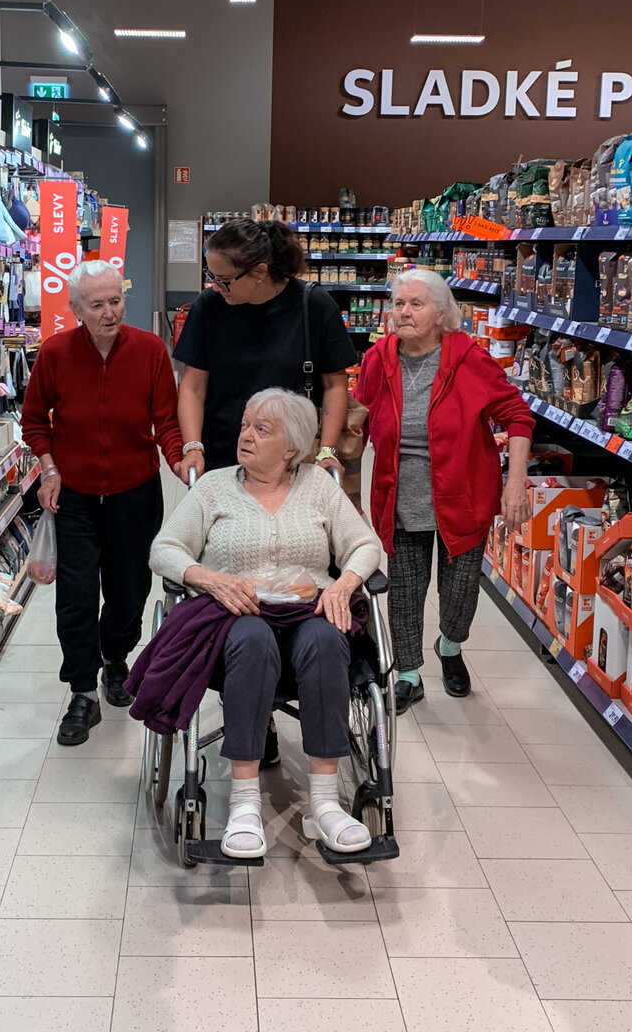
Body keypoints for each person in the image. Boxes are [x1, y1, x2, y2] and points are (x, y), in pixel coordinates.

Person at [148, 388, 384, 858]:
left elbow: (365, 545)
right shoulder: (214, 487)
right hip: (235, 621)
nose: (246, 435)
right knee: (253, 639)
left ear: (291, 446)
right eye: (245, 425)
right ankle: (244, 803)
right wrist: (210, 579)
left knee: (326, 640)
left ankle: (325, 804)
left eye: (262, 429)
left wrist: (344, 585)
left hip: (307, 611)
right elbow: (164, 548)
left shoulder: (319, 487)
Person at [354, 269, 534, 712]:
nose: (404, 312)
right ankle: (409, 675)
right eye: (399, 303)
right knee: (405, 590)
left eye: (416, 304)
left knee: (460, 590)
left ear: (441, 313)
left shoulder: (469, 358)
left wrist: (515, 483)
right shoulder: (379, 358)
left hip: (464, 496)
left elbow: (518, 416)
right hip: (400, 496)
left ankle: (450, 646)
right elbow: (357, 420)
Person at [21, 260, 184, 747]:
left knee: (129, 589)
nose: (110, 312)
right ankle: (81, 690)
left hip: (135, 491)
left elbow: (167, 422)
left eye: (116, 301)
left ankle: (116, 658)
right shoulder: (55, 354)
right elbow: (34, 421)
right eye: (97, 305)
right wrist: (49, 469)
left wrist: (183, 464)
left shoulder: (151, 351)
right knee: (75, 595)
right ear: (76, 309)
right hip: (74, 495)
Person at [174, 218, 358, 479]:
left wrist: (326, 451)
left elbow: (334, 385)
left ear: (260, 271)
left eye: (225, 280)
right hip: (223, 457)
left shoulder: (313, 305)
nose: (216, 286)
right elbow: (193, 387)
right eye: (212, 276)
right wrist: (193, 447)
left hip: (293, 459)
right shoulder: (209, 306)